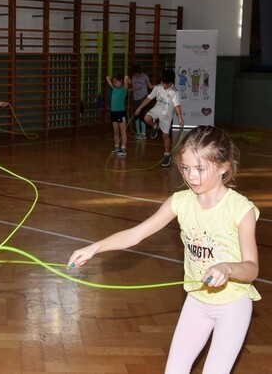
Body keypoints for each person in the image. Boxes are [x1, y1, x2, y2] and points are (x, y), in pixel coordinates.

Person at [68, 125, 259, 374]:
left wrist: (227, 268)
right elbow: (136, 234)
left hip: (233, 304)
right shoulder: (180, 202)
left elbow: (252, 269)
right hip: (197, 300)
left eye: (200, 169)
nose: (192, 176)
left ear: (223, 167)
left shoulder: (240, 209)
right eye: (186, 168)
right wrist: (95, 247)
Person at [135, 69, 184, 167]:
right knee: (147, 118)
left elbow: (177, 105)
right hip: (158, 108)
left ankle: (166, 155)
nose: (164, 85)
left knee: (165, 136)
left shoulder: (175, 92)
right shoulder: (157, 87)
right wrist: (139, 108)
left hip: (167, 114)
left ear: (171, 82)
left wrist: (180, 118)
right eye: (162, 82)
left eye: (166, 83)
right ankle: (155, 126)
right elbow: (149, 98)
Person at [106, 73, 130, 156]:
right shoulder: (114, 88)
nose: (114, 83)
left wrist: (126, 79)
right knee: (116, 131)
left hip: (121, 113)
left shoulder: (124, 89)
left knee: (123, 131)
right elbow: (107, 77)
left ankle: (123, 149)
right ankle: (116, 147)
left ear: (121, 81)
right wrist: (113, 79)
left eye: (116, 82)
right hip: (113, 112)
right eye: (113, 82)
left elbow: (126, 77)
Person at [129, 65, 153, 140]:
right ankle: (138, 132)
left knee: (142, 115)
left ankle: (143, 133)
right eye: (135, 73)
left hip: (143, 98)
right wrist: (128, 90)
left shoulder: (144, 76)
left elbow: (150, 86)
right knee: (136, 116)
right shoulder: (133, 78)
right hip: (135, 98)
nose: (136, 75)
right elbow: (134, 88)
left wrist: (160, 86)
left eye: (137, 73)